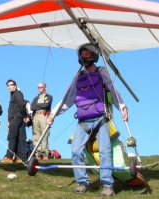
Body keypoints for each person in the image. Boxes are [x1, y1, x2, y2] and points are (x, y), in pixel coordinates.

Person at [47, 43, 128, 197]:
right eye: (82, 54)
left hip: (100, 118)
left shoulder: (101, 72)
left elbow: (112, 90)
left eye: (87, 54)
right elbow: (68, 98)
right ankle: (83, 183)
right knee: (76, 150)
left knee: (105, 152)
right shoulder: (78, 77)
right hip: (83, 119)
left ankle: (107, 186)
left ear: (93, 55)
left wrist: (122, 106)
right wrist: (53, 113)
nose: (84, 56)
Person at [0, 80, 29, 163]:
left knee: (12, 137)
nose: (9, 87)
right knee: (20, 138)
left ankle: (9, 156)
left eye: (11, 85)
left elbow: (21, 104)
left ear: (15, 86)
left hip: (16, 118)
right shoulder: (14, 94)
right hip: (18, 118)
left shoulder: (17, 93)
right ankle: (20, 157)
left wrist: (24, 115)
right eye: (7, 85)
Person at [31, 82, 53, 160]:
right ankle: (38, 153)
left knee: (45, 134)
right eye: (38, 87)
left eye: (41, 87)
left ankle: (45, 153)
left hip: (44, 115)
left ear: (45, 88)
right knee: (36, 135)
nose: (39, 88)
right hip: (36, 116)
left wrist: (37, 105)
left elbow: (46, 105)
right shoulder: (36, 98)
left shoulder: (49, 97)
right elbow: (32, 107)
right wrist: (40, 105)